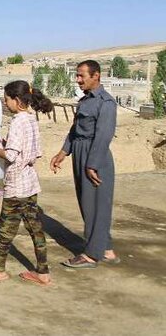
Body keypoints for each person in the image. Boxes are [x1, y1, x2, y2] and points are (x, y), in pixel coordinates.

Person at [50, 60, 119, 268]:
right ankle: (106, 249)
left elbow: (103, 136)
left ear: (96, 75)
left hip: (94, 156)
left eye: (82, 76)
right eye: (77, 76)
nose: (78, 80)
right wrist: (63, 152)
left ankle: (91, 254)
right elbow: (75, 130)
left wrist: (92, 164)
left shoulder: (105, 102)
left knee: (94, 206)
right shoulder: (85, 101)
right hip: (81, 152)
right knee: (89, 203)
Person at [0, 80, 54, 286]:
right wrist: (7, 144)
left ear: (16, 100)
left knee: (5, 229)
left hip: (17, 185)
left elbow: (12, 156)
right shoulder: (31, 119)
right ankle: (42, 271)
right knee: (35, 228)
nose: (5, 104)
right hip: (30, 183)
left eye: (6, 100)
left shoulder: (17, 121)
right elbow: (31, 150)